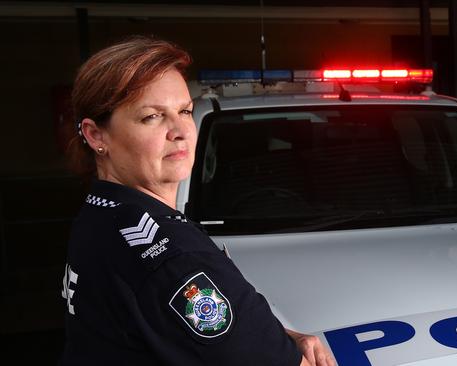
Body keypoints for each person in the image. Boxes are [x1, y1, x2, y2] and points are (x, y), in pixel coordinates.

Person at [61, 36, 335, 366]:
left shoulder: (102, 213)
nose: (181, 130)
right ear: (96, 135)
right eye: (152, 116)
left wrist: (282, 338)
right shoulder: (173, 256)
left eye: (184, 111)